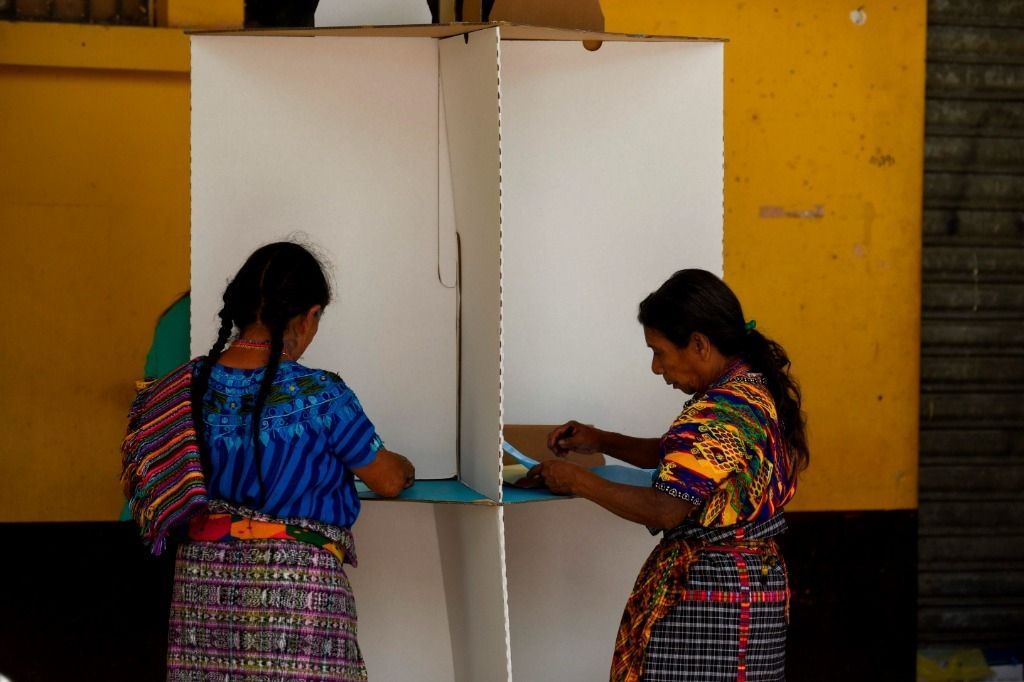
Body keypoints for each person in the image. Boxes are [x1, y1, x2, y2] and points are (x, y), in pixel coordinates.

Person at [522, 269, 809, 682]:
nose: (657, 368)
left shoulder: (723, 409)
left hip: (718, 602)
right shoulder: (748, 388)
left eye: (659, 351)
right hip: (749, 587)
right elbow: (684, 457)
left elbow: (665, 509)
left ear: (698, 344)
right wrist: (599, 439)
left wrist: (577, 481)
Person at [166, 241, 415, 681]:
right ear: (309, 316)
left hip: (202, 590)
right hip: (296, 594)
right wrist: (405, 465)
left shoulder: (187, 387)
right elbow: (388, 480)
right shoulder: (322, 395)